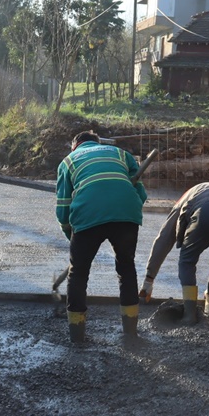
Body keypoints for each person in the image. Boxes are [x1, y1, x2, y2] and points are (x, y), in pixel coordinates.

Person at [56, 131, 148, 343]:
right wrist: (126, 211)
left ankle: (77, 335)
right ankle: (130, 330)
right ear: (97, 143)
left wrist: (71, 235)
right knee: (126, 267)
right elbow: (141, 193)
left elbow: (63, 208)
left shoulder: (68, 161)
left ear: (75, 146)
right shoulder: (121, 154)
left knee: (78, 272)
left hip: (87, 215)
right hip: (126, 214)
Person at [138, 182, 209, 324]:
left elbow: (164, 238)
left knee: (187, 261)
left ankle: (189, 315)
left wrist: (149, 279)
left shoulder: (184, 200)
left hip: (206, 212)